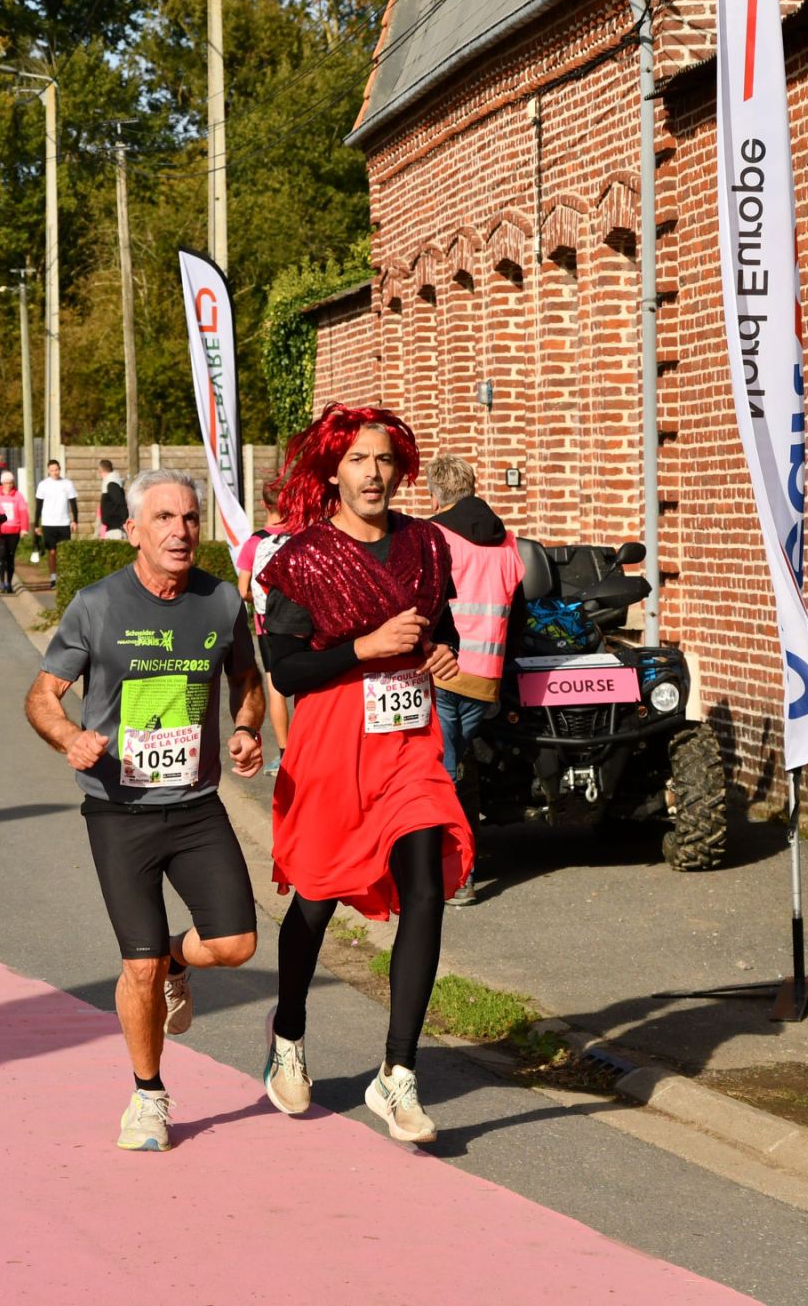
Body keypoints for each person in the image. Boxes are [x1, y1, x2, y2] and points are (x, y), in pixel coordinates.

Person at [24, 469, 266, 1153]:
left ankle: (174, 960)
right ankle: (148, 1096)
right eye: (163, 518)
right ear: (132, 530)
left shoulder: (222, 601)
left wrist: (246, 727)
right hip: (118, 810)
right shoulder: (97, 605)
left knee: (236, 945)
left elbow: (246, 678)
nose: (180, 531)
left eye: (189, 518)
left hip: (195, 806)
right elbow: (41, 696)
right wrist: (69, 737)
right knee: (138, 969)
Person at [254, 404, 471, 1144]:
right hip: (333, 743)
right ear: (333, 473)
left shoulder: (427, 544)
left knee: (426, 889)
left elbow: (443, 627)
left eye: (383, 459)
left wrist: (442, 651)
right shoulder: (305, 558)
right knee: (316, 897)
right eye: (357, 460)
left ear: (400, 468)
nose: (372, 473)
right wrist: (363, 647)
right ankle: (288, 1034)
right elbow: (286, 669)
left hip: (409, 742)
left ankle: (398, 1072)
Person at [425, 455, 525, 906]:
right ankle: (451, 869)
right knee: (456, 768)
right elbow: (517, 612)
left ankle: (455, 875)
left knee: (443, 775)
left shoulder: (435, 537)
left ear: (435, 495)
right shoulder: (508, 541)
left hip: (443, 671)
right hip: (486, 676)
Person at [234, 481, 293, 772]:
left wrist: (260, 597)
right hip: (302, 622)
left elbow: (242, 589)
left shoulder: (254, 542)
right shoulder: (302, 536)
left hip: (267, 625)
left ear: (263, 504)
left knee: (276, 688)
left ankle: (285, 754)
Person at [33, 459, 77, 586]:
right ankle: (53, 577)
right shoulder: (43, 485)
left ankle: (64, 576)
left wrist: (75, 520)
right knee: (52, 551)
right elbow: (38, 506)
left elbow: (73, 503)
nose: (55, 472)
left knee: (64, 551)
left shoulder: (67, 484)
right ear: (48, 471)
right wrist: (36, 525)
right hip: (48, 523)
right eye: (52, 470)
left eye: (56, 470)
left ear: (60, 469)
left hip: (64, 522)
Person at [0, 469, 30, 594]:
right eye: (6, 482)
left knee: (10, 557)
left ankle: (9, 583)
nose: (8, 485)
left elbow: (23, 513)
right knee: (1, 556)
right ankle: (1, 582)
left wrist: (24, 528)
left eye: (10, 482)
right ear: (2, 483)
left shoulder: (18, 496)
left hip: (14, 530)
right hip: (0, 530)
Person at [97, 459, 128, 540]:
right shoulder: (110, 482)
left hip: (116, 529)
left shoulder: (111, 483)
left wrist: (124, 522)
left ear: (101, 470)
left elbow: (120, 503)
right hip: (112, 527)